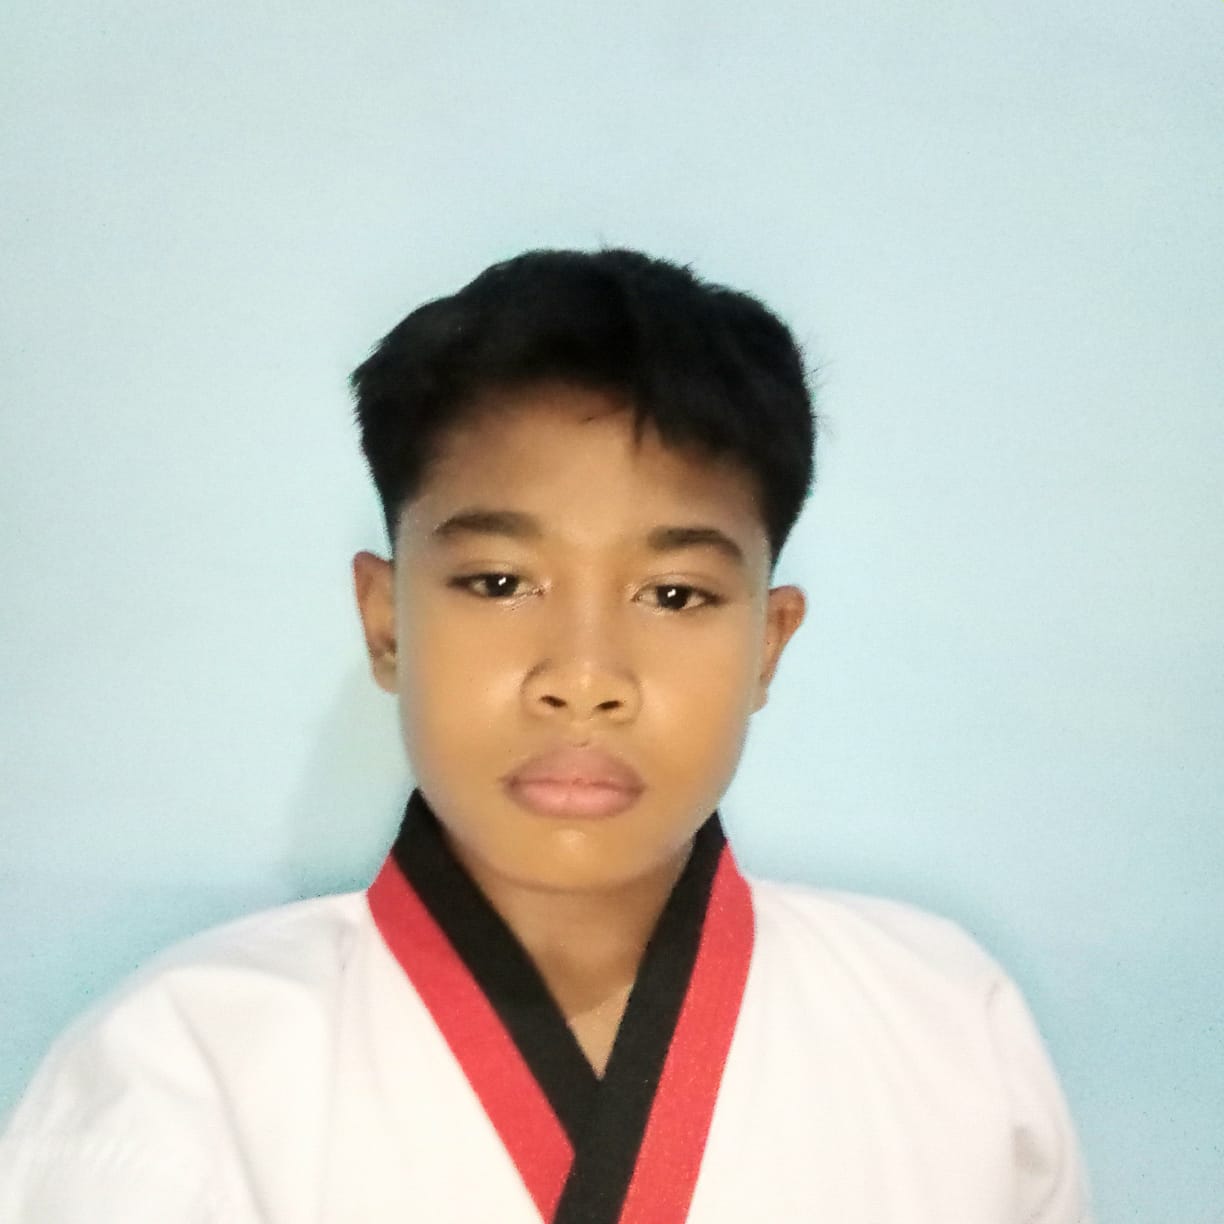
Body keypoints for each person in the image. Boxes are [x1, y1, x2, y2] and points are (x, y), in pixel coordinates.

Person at [0, 249, 1091, 1222]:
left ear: (769, 643)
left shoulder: (949, 1035)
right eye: (499, 581)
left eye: (674, 594)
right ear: (386, 623)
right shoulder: (176, 1083)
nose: (582, 678)